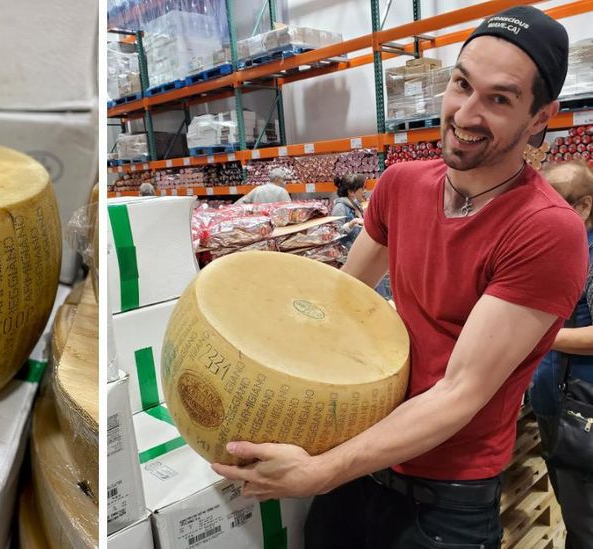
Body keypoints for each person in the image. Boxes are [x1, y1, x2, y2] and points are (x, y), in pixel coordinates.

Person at [210, 7, 588, 548]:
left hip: (442, 504)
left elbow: (461, 392)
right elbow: (339, 302)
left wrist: (321, 472)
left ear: (539, 117)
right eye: (461, 84)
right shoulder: (402, 184)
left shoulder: (546, 231)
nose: (466, 113)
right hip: (356, 463)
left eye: (499, 99)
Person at [527, 160, 593, 548]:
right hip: (558, 400)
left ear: (584, 206)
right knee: (574, 508)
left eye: (553, 203)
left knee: (584, 519)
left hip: (581, 407)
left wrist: (538, 337)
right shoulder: (564, 247)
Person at [331, 174, 366, 249]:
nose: (365, 191)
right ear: (351, 192)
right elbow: (335, 234)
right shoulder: (339, 207)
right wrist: (351, 223)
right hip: (346, 255)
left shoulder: (356, 205)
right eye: (362, 189)